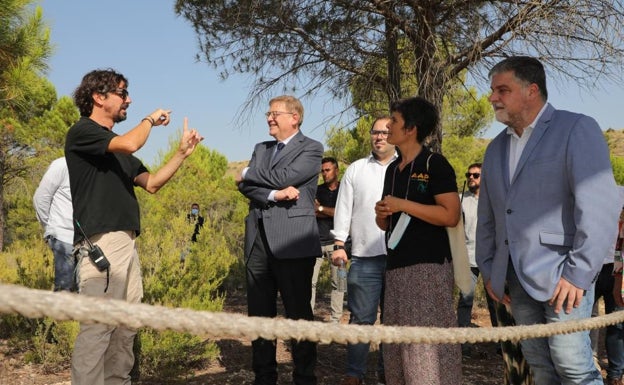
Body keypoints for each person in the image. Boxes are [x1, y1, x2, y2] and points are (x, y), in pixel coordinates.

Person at [476, 56, 620, 385]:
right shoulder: (495, 148)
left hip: (564, 276)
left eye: (502, 89)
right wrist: (489, 269)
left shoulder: (576, 128)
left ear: (532, 90)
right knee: (539, 366)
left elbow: (599, 207)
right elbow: (490, 216)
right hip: (513, 277)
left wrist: (579, 274)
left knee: (572, 366)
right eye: (492, 90)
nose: (492, 97)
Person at [65, 68, 203, 385]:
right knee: (98, 327)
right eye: (122, 92)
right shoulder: (83, 132)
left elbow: (152, 183)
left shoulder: (118, 148)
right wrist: (150, 120)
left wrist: (182, 154)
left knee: (127, 326)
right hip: (101, 245)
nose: (129, 99)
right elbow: (130, 144)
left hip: (126, 243)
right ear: (99, 97)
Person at [374, 97, 462, 385]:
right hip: (395, 269)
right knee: (397, 352)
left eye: (395, 121)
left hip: (427, 270)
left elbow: (450, 215)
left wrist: (403, 204)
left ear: (411, 129)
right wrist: (382, 214)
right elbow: (385, 223)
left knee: (425, 353)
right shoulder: (392, 169)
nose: (388, 126)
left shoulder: (435, 164)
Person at [236, 95, 323, 385]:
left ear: (294, 117)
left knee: (299, 315)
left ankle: (305, 377)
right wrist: (274, 194)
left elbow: (288, 174)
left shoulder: (311, 148)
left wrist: (248, 172)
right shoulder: (261, 148)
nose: (269, 118)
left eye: (275, 113)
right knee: (260, 318)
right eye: (268, 113)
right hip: (257, 244)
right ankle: (264, 378)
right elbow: (247, 188)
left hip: (293, 243)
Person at [331, 116, 396, 385]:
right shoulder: (356, 169)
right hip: (362, 258)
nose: (379, 137)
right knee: (361, 320)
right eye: (375, 132)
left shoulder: (406, 167)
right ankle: (354, 374)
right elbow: (343, 209)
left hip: (399, 259)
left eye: (385, 132)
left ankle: (388, 374)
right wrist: (338, 245)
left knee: (394, 323)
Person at [456, 162, 498, 356]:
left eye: (476, 175)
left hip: (491, 258)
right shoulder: (460, 200)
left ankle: (502, 342)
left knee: (495, 301)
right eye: (468, 175)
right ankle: (462, 342)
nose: (471, 178)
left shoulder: (494, 199)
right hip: (468, 258)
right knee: (465, 300)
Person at [33, 157, 76, 292]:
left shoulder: (92, 166)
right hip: (64, 237)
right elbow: (40, 198)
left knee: (86, 291)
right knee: (65, 289)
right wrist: (50, 228)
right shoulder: (61, 165)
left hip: (87, 240)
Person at [310, 157, 345, 323]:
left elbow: (343, 214)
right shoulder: (316, 190)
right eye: (322, 171)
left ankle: (336, 320)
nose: (324, 174)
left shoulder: (345, 190)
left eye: (328, 170)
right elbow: (312, 212)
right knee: (310, 283)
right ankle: (307, 318)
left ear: (336, 170)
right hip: (315, 243)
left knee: (339, 283)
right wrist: (331, 211)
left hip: (337, 244)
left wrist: (322, 208)